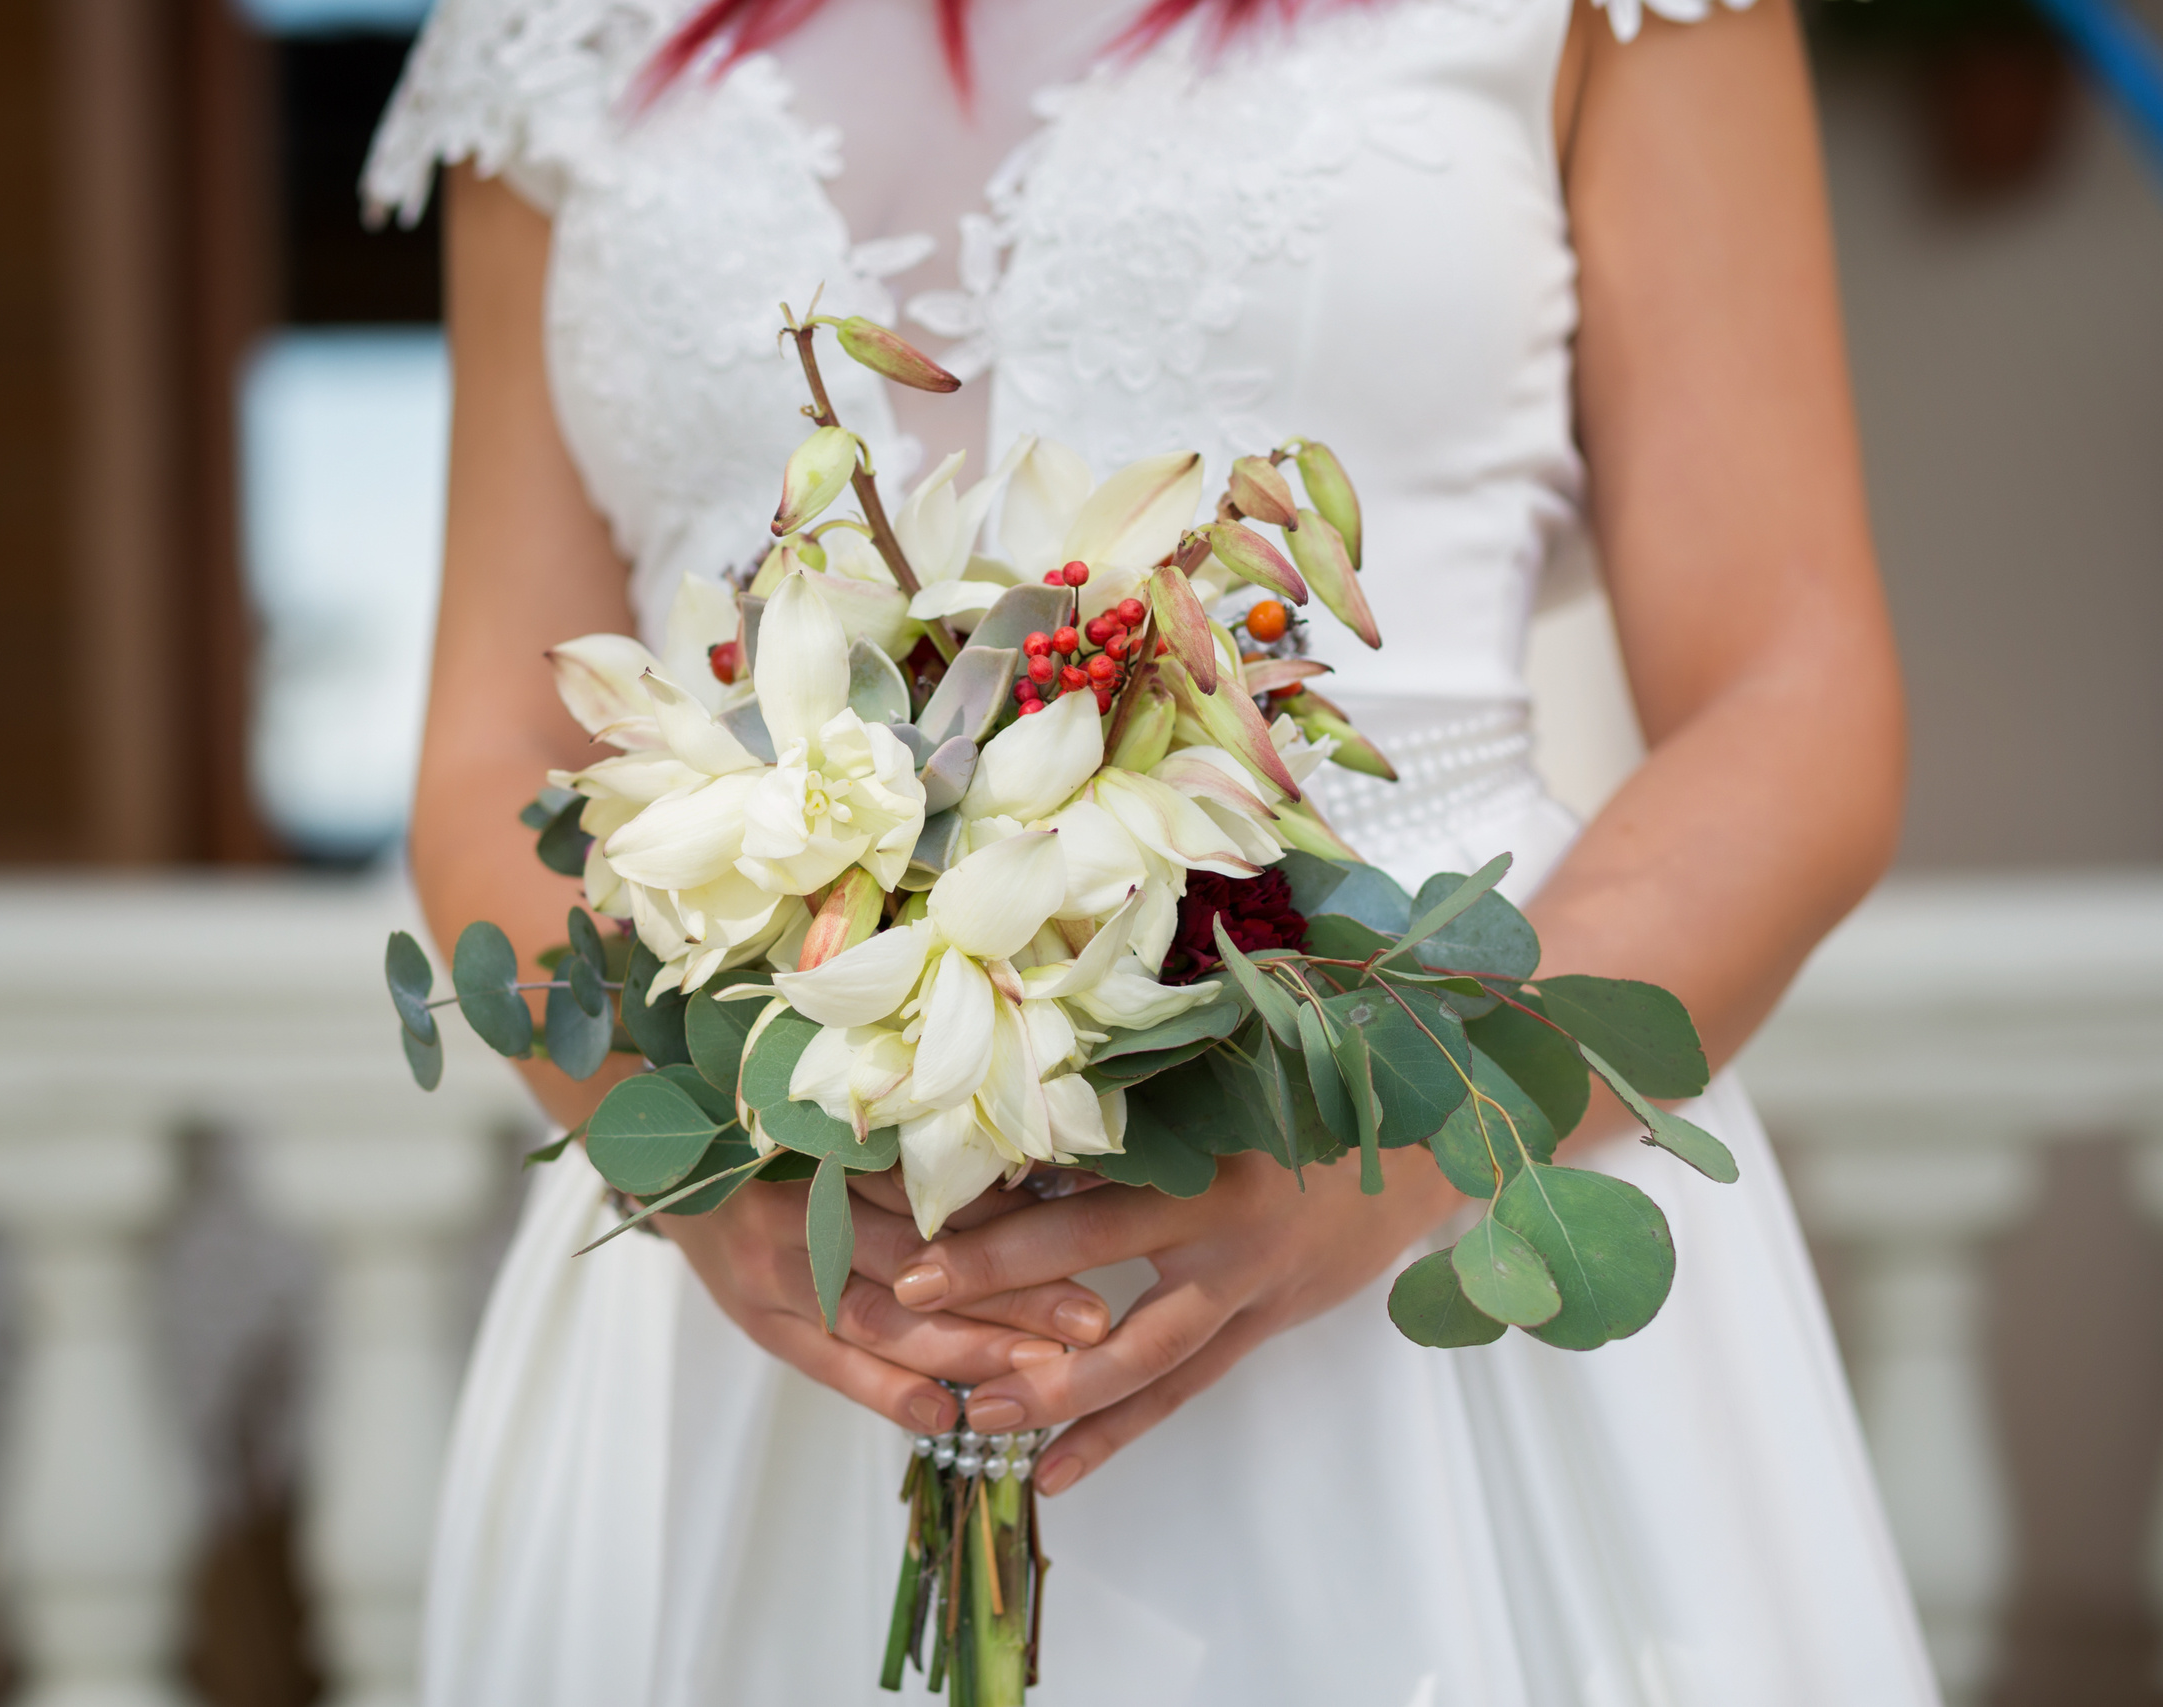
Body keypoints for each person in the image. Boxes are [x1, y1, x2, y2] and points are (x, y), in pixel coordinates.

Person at [369, 0, 1939, 1698]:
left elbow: (1792, 699)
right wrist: (691, 1153)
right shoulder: (549, 29)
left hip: (1425, 1208)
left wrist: (1408, 1149)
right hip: (777, 1283)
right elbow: (494, 752)